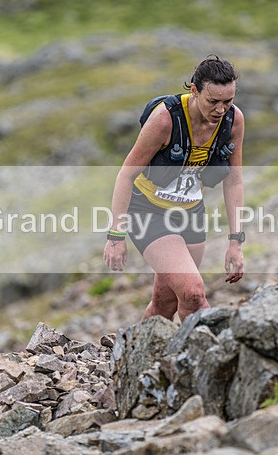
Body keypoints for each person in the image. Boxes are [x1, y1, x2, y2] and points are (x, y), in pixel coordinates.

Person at [103, 55, 245, 322]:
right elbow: (125, 175)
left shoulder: (233, 120)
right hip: (148, 212)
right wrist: (116, 236)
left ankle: (136, 359)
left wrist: (236, 241)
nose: (220, 109)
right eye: (213, 101)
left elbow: (234, 180)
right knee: (193, 293)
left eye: (228, 101)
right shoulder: (165, 119)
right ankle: (210, 355)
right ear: (194, 90)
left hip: (191, 213)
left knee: (164, 303)